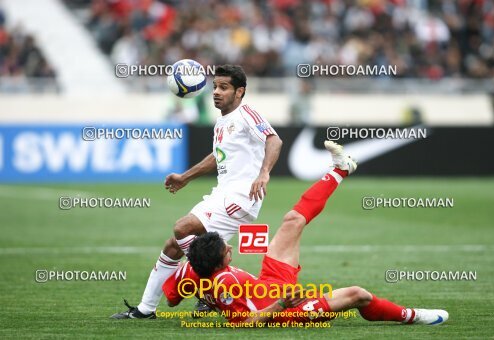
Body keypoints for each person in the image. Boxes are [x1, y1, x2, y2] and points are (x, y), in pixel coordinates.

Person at [162, 141, 449, 326]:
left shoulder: (192, 270)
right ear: (219, 262)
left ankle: (340, 169)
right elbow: (248, 323)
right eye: (227, 250)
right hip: (284, 312)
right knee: (357, 295)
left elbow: (173, 298)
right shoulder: (225, 282)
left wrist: (205, 300)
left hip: (268, 284)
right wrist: (282, 303)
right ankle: (412, 316)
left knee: (292, 220)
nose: (231, 250)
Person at [112, 65, 283, 319]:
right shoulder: (222, 121)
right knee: (173, 246)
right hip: (222, 194)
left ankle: (207, 290)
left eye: (224, 87)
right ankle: (145, 310)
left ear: (240, 92)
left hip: (240, 197)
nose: (216, 92)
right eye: (215, 86)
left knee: (182, 229)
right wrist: (185, 177)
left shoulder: (247, 113)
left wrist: (264, 173)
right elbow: (217, 156)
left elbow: (274, 139)